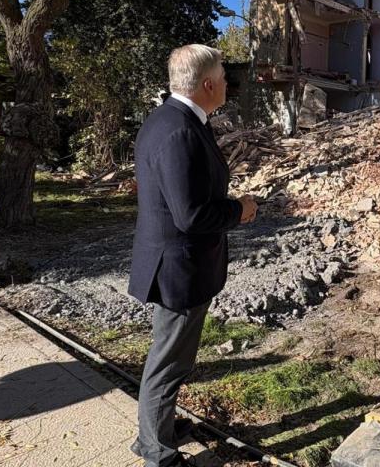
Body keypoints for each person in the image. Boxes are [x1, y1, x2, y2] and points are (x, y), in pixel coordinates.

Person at [128, 44, 258, 467]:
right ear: (206, 85)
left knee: (172, 359)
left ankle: (157, 430)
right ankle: (157, 452)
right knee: (168, 364)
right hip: (179, 269)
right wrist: (240, 209)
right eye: (223, 78)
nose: (226, 84)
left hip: (174, 263)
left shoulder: (169, 119)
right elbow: (192, 215)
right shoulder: (181, 129)